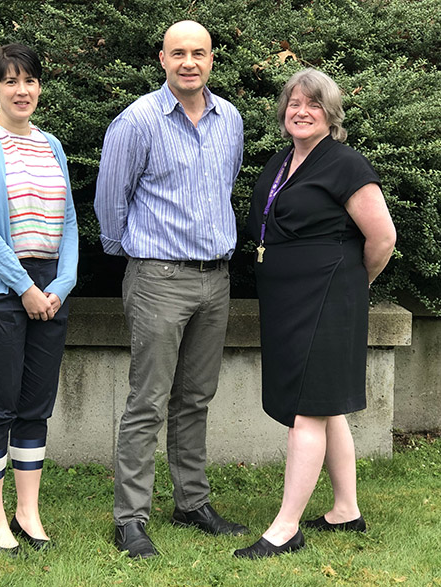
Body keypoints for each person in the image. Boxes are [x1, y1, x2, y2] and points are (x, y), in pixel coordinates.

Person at [94, 20, 247, 558]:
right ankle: (129, 519)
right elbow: (109, 203)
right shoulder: (136, 121)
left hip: (216, 280)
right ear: (162, 58)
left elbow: (223, 188)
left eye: (199, 53)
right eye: (178, 53)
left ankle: (191, 502)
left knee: (196, 398)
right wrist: (136, 257)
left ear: (211, 59)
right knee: (148, 401)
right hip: (158, 276)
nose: (189, 62)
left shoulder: (231, 119)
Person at [234, 68, 396, 559]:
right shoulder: (285, 160)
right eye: (294, 104)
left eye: (313, 105)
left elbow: (383, 237)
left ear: (331, 114)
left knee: (306, 410)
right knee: (325, 407)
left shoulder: (345, 164)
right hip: (290, 299)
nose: (301, 112)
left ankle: (285, 527)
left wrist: (350, 285)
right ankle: (346, 508)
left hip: (328, 297)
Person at [0, 43, 78, 556]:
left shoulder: (52, 144)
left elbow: (69, 220)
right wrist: (24, 288)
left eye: (29, 80)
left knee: (34, 407)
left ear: (39, 87)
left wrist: (61, 285)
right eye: (10, 81)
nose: (21, 90)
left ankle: (28, 512)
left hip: (50, 289)